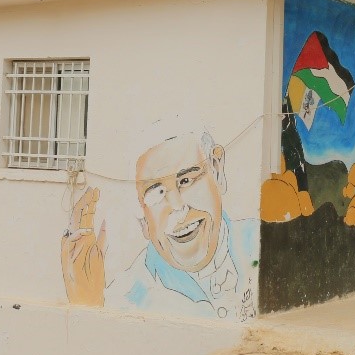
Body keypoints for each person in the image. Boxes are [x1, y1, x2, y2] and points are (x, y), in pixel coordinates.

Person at [62, 131, 256, 321]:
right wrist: (87, 305)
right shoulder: (127, 298)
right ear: (143, 220)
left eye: (186, 181)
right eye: (157, 193)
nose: (178, 207)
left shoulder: (265, 244)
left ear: (216, 171)